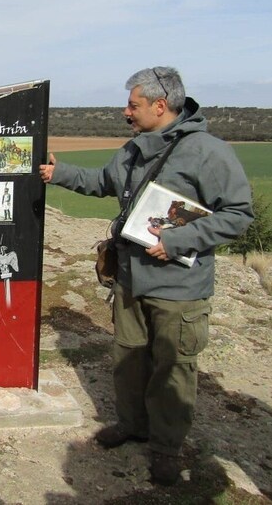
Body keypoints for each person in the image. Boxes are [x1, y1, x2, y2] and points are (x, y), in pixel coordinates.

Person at [39, 67, 253, 486]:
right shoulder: (134, 148)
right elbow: (103, 182)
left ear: (160, 105)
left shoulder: (207, 151)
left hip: (178, 287)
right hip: (131, 279)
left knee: (172, 368)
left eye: (133, 105)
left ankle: (166, 448)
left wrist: (180, 240)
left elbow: (238, 214)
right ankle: (132, 425)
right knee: (130, 360)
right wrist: (58, 173)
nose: (125, 112)